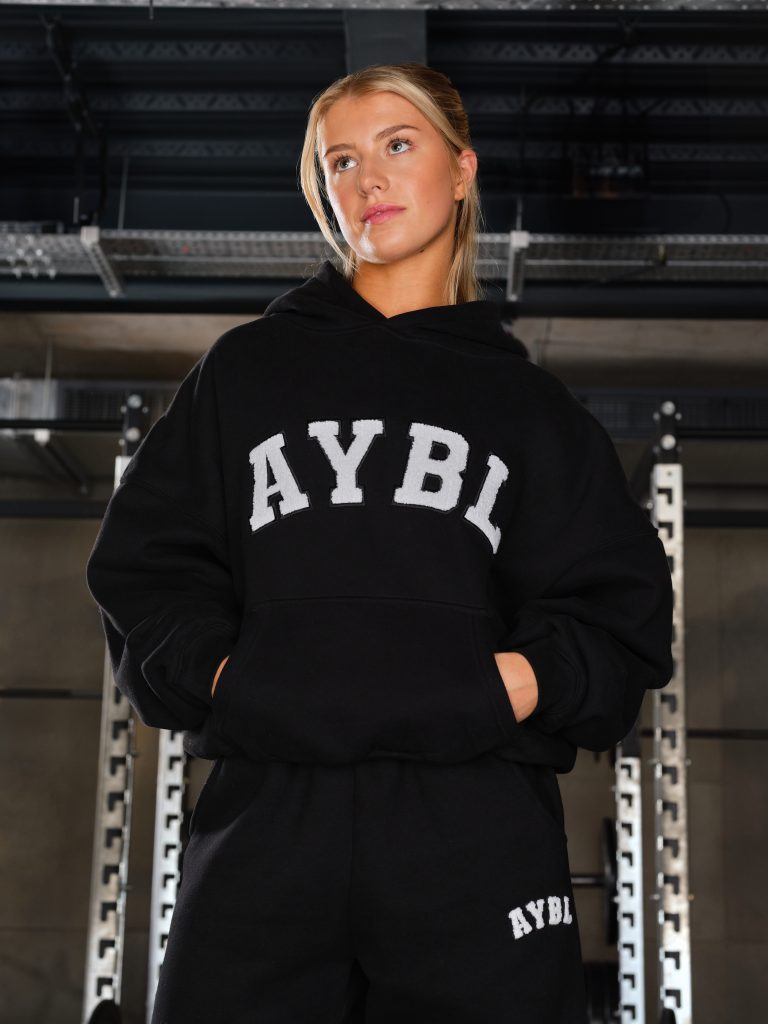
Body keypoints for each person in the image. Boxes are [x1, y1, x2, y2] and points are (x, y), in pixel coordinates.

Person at [85, 62, 674, 1024]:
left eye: (398, 145)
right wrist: (236, 680)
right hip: (270, 811)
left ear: (462, 170)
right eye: (341, 161)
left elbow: (621, 614)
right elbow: (145, 569)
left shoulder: (530, 408)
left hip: (475, 821)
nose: (369, 179)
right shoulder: (246, 372)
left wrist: (500, 688)